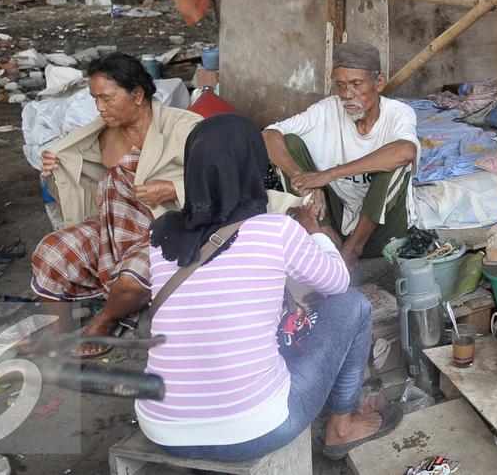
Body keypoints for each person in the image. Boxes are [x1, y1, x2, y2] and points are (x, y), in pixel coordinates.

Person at [138, 114, 396, 461]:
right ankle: (341, 427)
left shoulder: (161, 235)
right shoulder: (274, 230)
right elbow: (338, 282)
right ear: (254, 167)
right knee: (352, 306)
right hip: (254, 429)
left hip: (161, 427)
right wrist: (314, 228)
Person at [32, 53, 200, 358]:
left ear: (136, 95)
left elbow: (223, 180)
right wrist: (58, 169)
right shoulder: (97, 135)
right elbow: (77, 188)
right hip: (114, 226)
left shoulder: (185, 127)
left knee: (132, 279)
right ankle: (59, 333)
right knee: (51, 251)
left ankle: (104, 320)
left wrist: (173, 188)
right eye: (95, 98)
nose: (100, 107)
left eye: (107, 98)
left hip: (169, 228)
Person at [263, 42, 419, 285]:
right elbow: (269, 135)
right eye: (341, 85)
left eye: (357, 85)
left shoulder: (399, 113)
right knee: (290, 142)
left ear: (378, 83)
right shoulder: (326, 111)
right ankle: (325, 236)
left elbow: (406, 151)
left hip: (382, 231)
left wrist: (328, 175)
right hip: (335, 222)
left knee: (396, 163)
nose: (347, 94)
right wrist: (303, 178)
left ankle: (350, 252)